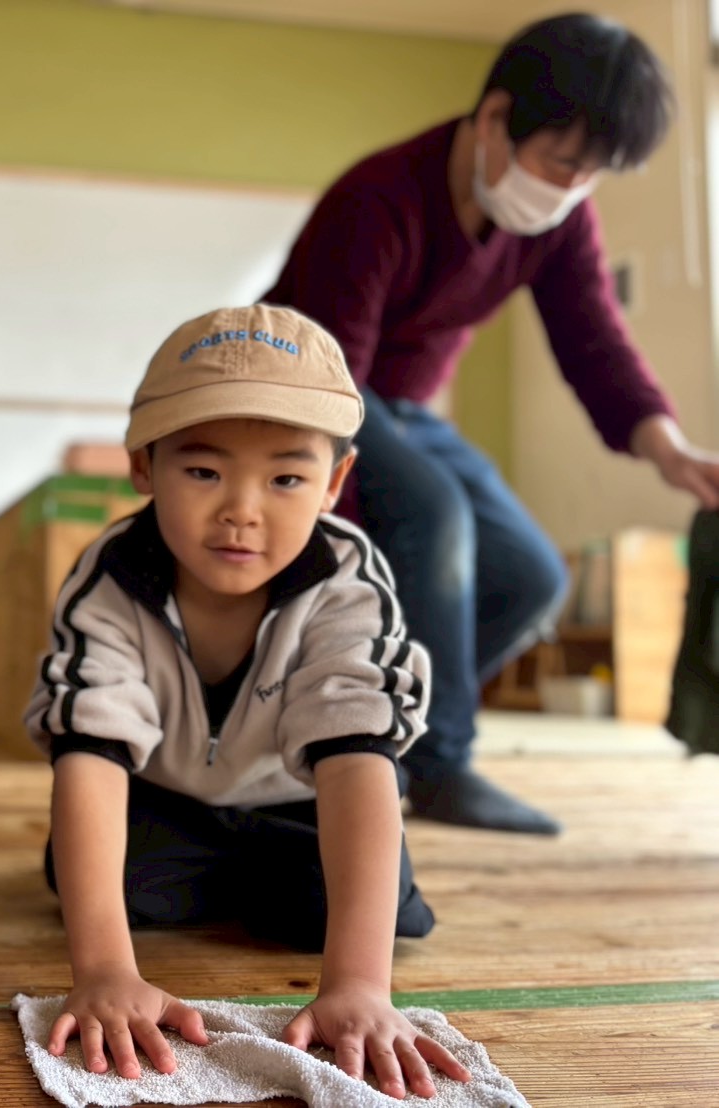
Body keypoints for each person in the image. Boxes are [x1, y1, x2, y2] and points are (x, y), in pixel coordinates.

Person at [262, 12, 719, 835]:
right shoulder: (376, 199)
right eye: (560, 164)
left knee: (530, 574)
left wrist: (667, 447)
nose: (570, 192)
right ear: (495, 118)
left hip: (403, 408)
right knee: (434, 515)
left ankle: (388, 731)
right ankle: (441, 767)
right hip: (312, 395)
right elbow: (327, 390)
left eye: (591, 177)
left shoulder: (557, 222)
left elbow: (593, 338)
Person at [25, 304, 470, 1099]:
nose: (242, 509)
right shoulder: (111, 576)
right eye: (202, 471)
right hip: (167, 803)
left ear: (334, 482)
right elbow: (89, 755)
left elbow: (357, 758)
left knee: (376, 911)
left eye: (286, 478)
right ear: (142, 466)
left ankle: (247, 886)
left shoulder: (345, 578)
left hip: (301, 806)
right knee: (83, 874)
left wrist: (360, 987)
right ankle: (215, 880)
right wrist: (103, 971)